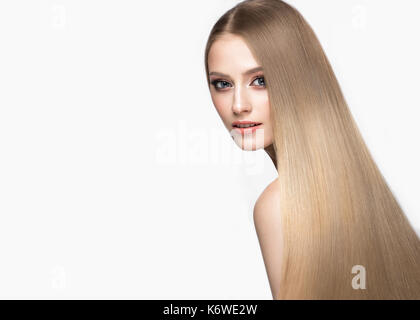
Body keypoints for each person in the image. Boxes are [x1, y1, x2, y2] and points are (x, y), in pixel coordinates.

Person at [204, 0, 420, 299]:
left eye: (260, 80)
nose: (239, 105)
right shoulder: (362, 188)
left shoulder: (278, 206)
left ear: (298, 81)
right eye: (222, 84)